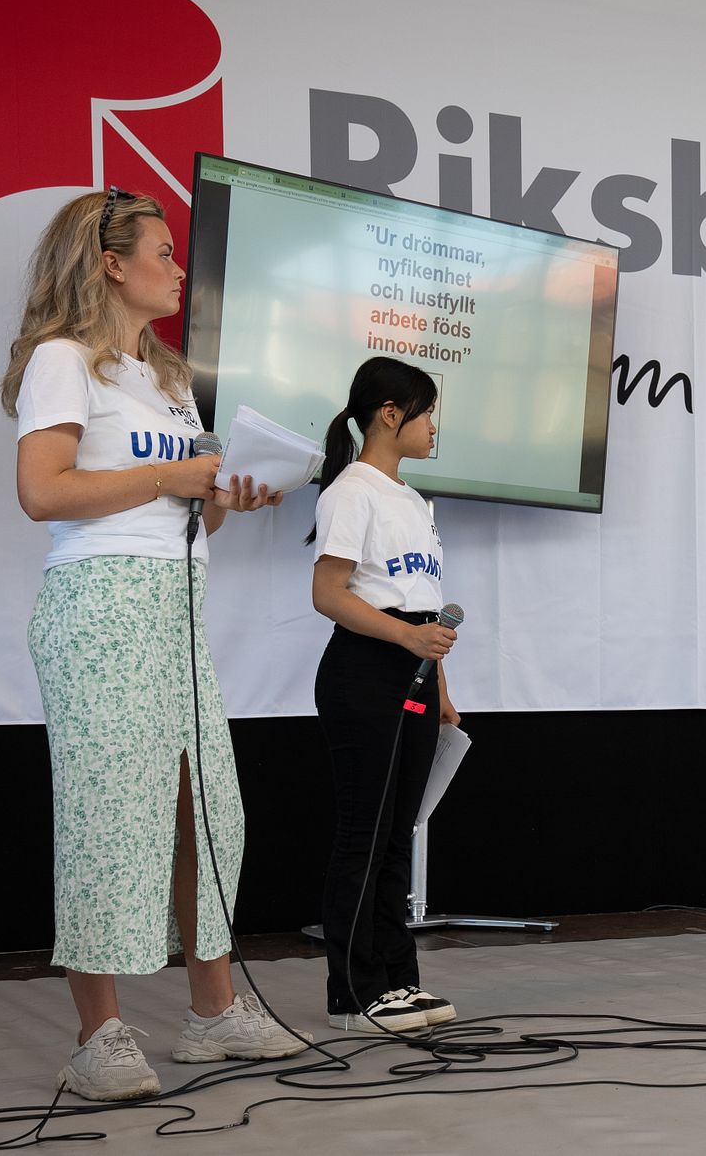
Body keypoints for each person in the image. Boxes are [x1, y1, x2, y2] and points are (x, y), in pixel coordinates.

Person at [2, 187, 306, 1102]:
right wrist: (169, 475)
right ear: (109, 263)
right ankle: (98, 1036)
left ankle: (212, 1016)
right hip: (99, 608)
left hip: (175, 607)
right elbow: (43, 493)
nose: (178, 269)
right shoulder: (64, 361)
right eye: (164, 253)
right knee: (108, 817)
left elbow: (184, 508)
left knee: (207, 808)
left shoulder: (167, 378)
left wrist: (225, 494)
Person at [309, 357, 460, 1033]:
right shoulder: (353, 490)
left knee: (398, 833)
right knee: (363, 835)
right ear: (390, 413)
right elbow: (329, 593)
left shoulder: (412, 500)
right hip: (365, 670)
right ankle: (355, 991)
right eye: (427, 412)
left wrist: (441, 687)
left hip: (415, 675)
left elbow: (425, 608)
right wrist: (404, 641)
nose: (435, 428)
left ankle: (399, 980)